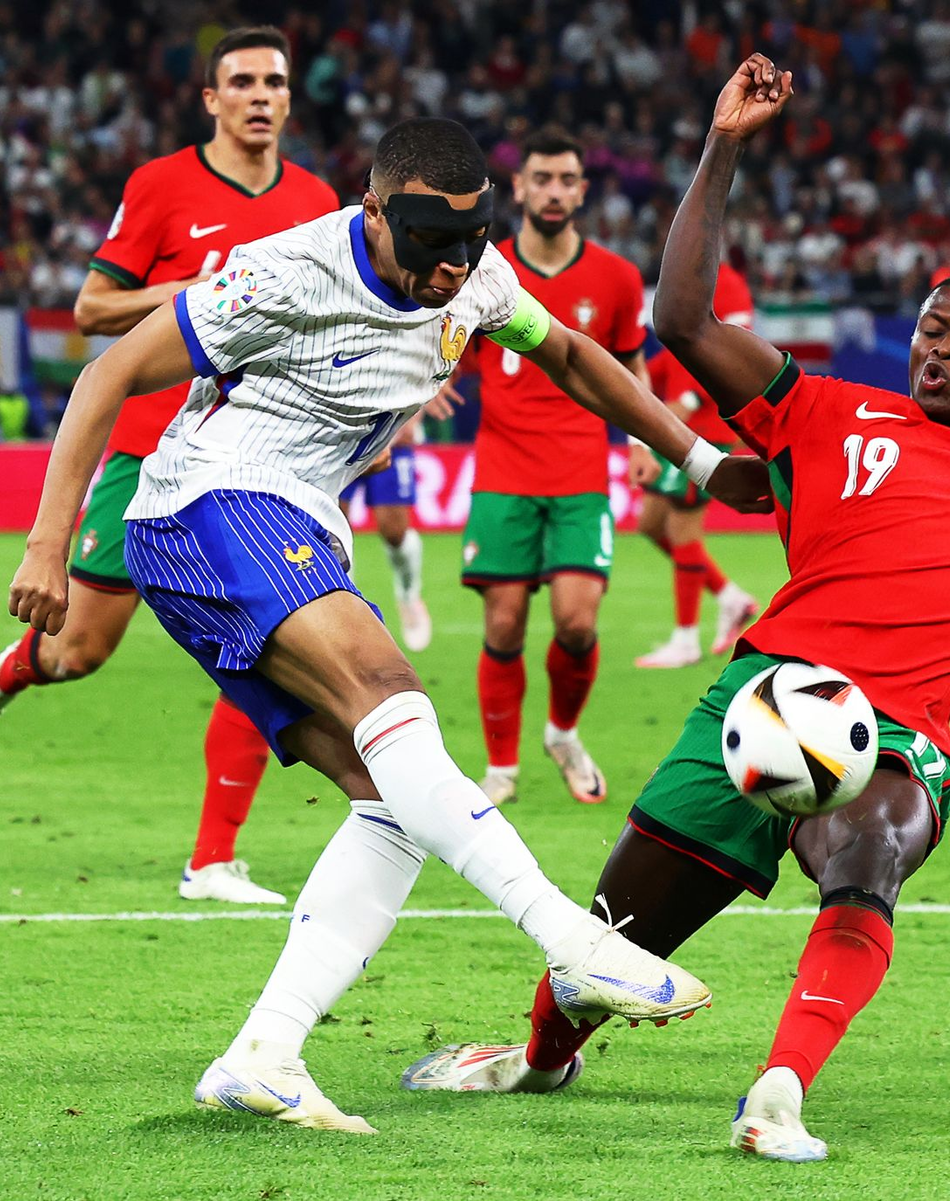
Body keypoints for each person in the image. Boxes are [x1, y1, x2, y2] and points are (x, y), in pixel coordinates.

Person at [397, 56, 950, 1164]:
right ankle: (539, 1056)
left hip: (896, 730)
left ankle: (778, 1090)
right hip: (761, 705)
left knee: (867, 848)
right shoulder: (826, 413)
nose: (939, 345)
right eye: (931, 327)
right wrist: (723, 148)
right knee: (612, 937)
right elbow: (681, 316)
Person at [9, 116, 773, 1134]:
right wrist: (47, 544)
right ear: (374, 213)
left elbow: (578, 356)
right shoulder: (281, 272)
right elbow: (106, 373)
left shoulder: (476, 274)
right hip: (209, 501)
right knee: (392, 695)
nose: (451, 270)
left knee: (393, 797)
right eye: (427, 247)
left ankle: (264, 1052)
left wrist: (701, 460)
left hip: (296, 524)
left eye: (469, 245)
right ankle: (567, 938)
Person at [0, 26, 339, 905]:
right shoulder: (162, 186)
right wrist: (205, 287)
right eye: (243, 82)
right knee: (75, 653)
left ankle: (213, 860)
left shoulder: (319, 201)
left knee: (267, 642)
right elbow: (91, 307)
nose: (262, 95)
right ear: (212, 100)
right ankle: (10, 674)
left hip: (261, 464)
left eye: (275, 82)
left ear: (290, 99)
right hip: (149, 450)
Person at [463, 127, 648, 808]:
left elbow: (630, 362)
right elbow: (449, 349)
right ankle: (501, 768)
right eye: (541, 178)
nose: (553, 191)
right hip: (503, 472)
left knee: (577, 621)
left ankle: (563, 733)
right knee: (503, 625)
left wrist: (641, 441)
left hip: (578, 475)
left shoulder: (617, 278)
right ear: (518, 187)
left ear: (582, 190)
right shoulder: (481, 268)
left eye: (566, 179)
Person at [631, 262, 759, 669]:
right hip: (683, 413)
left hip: (707, 426)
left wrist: (674, 409)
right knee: (651, 524)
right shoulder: (686, 274)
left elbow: (727, 354)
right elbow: (671, 355)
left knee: (683, 527)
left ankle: (685, 639)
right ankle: (730, 597)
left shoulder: (727, 284)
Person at [339, 423, 432, 652]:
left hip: (389, 432)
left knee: (394, 533)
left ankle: (409, 594)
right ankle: (346, 609)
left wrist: (412, 419)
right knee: (335, 530)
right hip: (340, 439)